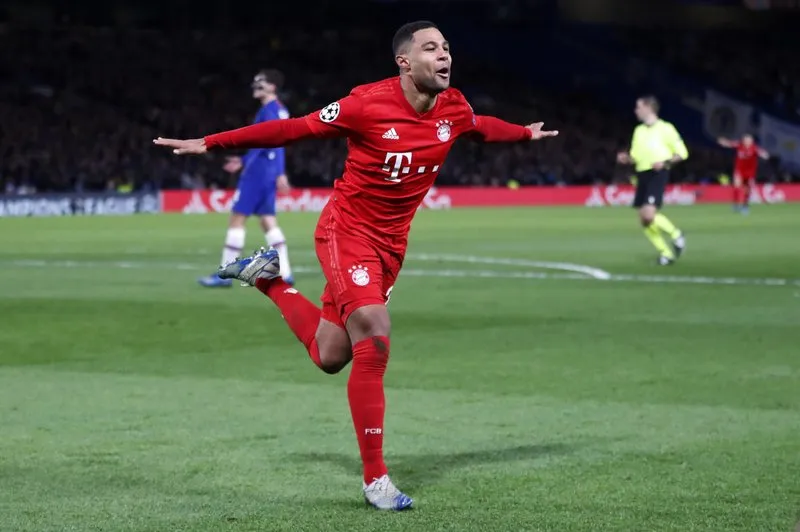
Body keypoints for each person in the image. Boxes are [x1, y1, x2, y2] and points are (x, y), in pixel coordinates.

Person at [154, 20, 557, 510]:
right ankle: (376, 479)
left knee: (330, 356)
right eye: (431, 48)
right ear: (404, 62)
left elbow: (478, 128)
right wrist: (213, 142)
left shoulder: (454, 107)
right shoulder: (365, 103)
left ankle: (269, 280)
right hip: (347, 232)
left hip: (390, 248)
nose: (444, 54)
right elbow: (292, 128)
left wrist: (522, 135)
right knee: (376, 333)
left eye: (447, 47)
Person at [198, 69, 295, 287]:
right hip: (267, 171)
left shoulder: (268, 111)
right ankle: (286, 273)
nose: (255, 85)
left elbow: (271, 141)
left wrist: (251, 164)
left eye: (260, 82)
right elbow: (275, 143)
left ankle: (225, 275)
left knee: (237, 219)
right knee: (268, 221)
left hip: (258, 173)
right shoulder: (280, 110)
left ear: (272, 87)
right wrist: (275, 171)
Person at [617, 96, 687, 265]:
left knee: (649, 214)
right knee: (644, 219)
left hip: (658, 173)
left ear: (649, 108)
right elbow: (636, 156)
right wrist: (627, 158)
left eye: (638, 107)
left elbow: (682, 153)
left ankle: (676, 235)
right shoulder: (639, 131)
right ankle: (666, 254)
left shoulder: (666, 128)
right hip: (642, 174)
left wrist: (665, 162)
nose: (636, 110)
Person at [717, 134, 769, 214]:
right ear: (744, 141)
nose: (747, 142)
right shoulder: (739, 145)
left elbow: (762, 153)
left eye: (749, 140)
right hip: (739, 171)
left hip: (750, 172)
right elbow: (730, 144)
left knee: (747, 190)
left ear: (752, 141)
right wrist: (724, 142)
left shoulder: (754, 148)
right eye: (746, 140)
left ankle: (745, 206)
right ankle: (736, 204)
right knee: (736, 187)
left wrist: (764, 155)